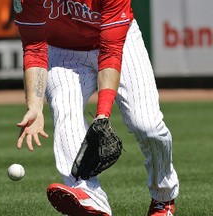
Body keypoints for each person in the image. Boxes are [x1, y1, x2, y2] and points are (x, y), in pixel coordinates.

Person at [14, 0, 179, 215]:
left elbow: (110, 52)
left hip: (119, 44)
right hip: (63, 52)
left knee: (147, 125)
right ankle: (88, 195)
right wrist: (34, 105)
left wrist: (103, 114)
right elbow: (34, 47)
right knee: (66, 112)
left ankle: (163, 196)